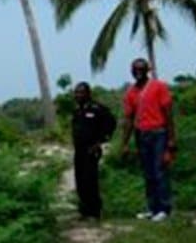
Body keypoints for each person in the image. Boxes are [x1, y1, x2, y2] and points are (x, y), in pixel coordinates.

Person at [118, 58, 176, 221]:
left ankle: (164, 208)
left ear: (147, 70)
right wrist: (124, 143)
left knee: (159, 171)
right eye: (135, 70)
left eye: (141, 69)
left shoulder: (159, 87)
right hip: (141, 134)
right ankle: (152, 207)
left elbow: (168, 114)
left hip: (158, 132)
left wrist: (171, 139)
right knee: (148, 172)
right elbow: (129, 119)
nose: (138, 73)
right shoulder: (130, 93)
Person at [71, 82, 117, 220]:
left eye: (81, 92)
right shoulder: (77, 111)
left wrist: (100, 142)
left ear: (88, 93)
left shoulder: (97, 109)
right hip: (79, 150)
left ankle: (94, 212)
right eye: (76, 92)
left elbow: (111, 124)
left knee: (90, 180)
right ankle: (84, 211)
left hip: (92, 149)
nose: (78, 95)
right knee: (80, 181)